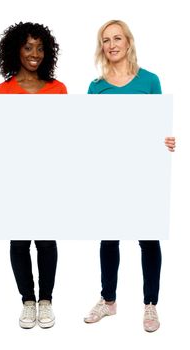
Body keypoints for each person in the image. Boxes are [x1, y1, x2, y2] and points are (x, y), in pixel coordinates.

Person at [0, 22, 67, 329]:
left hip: (48, 178)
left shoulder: (58, 89)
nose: (35, 54)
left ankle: (46, 300)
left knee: (47, 241)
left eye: (40, 48)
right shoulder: (2, 91)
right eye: (28, 47)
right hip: (14, 181)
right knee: (19, 242)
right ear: (16, 50)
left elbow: (68, 135)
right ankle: (28, 301)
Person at [83, 20, 175, 332]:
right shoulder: (96, 87)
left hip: (144, 174)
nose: (111, 45)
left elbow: (159, 128)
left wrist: (167, 140)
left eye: (117, 38)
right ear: (102, 47)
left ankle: (150, 305)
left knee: (148, 240)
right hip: (109, 176)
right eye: (105, 40)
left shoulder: (150, 81)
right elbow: (88, 134)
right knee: (109, 239)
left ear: (129, 42)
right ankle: (108, 301)